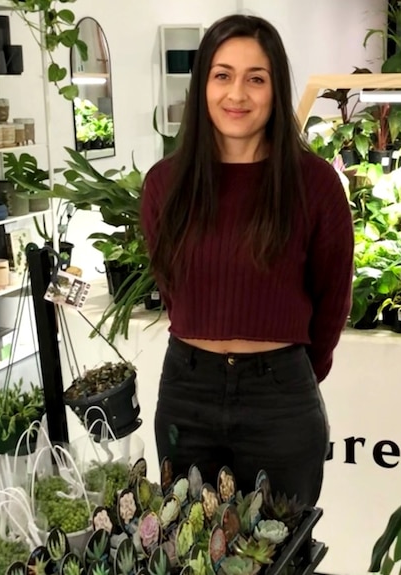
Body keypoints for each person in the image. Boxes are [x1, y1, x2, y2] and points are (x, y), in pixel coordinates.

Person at [140, 13, 353, 506]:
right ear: (203, 86)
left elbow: (332, 298)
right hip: (187, 392)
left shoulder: (314, 184)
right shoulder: (164, 185)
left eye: (255, 79)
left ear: (275, 89)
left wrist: (291, 375)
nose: (237, 94)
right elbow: (172, 286)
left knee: (281, 548)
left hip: (280, 396)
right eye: (222, 76)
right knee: (188, 547)